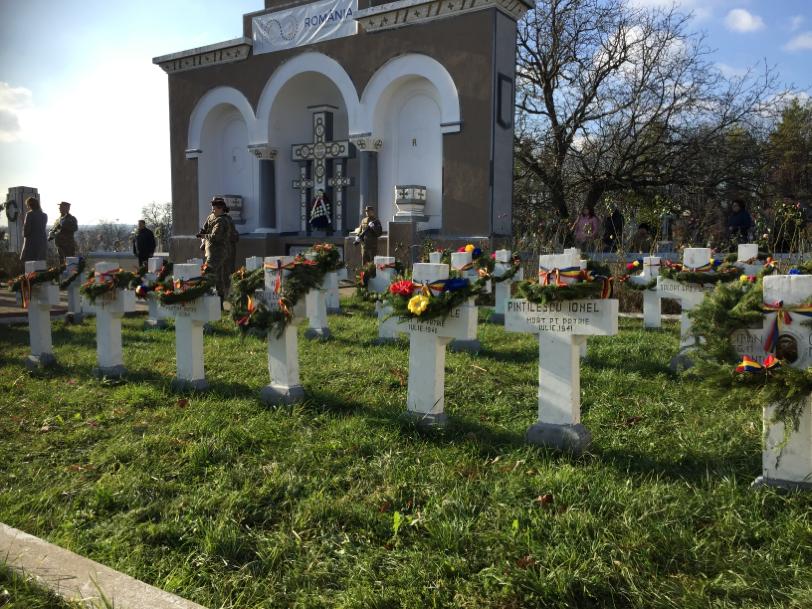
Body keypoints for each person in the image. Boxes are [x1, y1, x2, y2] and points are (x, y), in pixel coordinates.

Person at [196, 197, 230, 302]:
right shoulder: (211, 216)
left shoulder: (222, 221)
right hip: (210, 252)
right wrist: (202, 233)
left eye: (214, 209)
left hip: (218, 253)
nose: (212, 211)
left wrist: (203, 236)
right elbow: (204, 227)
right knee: (218, 278)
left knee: (207, 273)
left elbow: (215, 237)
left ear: (221, 209)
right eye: (212, 209)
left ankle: (204, 297)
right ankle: (220, 302)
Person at [20, 197, 48, 262]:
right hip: (42, 242)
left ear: (30, 205)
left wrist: (24, 224)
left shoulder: (29, 214)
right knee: (40, 263)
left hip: (31, 243)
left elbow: (26, 231)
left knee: (30, 264)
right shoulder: (44, 215)